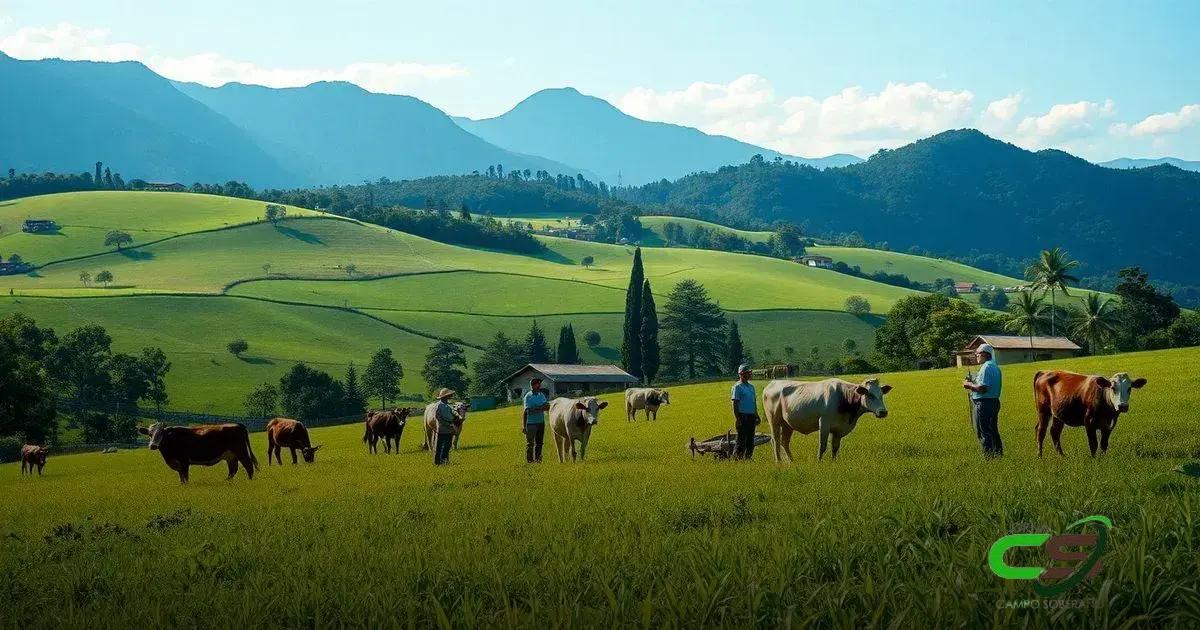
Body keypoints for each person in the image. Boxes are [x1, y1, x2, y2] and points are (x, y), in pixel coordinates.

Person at [963, 344, 1004, 457]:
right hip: (993, 402)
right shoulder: (994, 366)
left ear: (985, 354)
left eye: (978, 354)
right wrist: (973, 381)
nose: (977, 356)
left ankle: (988, 457)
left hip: (984, 403)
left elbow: (983, 388)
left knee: (984, 431)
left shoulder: (986, 367)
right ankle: (998, 454)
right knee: (993, 430)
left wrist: (969, 385)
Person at [730, 364, 760, 460]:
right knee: (741, 439)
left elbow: (753, 402)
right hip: (742, 416)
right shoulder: (737, 387)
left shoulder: (751, 387)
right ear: (741, 374)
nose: (748, 375)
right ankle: (737, 458)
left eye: (749, 373)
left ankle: (748, 458)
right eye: (746, 373)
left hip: (751, 416)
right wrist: (737, 418)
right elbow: (735, 403)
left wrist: (756, 415)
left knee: (750, 439)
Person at [430, 388, 462, 465]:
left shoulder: (447, 405)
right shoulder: (438, 406)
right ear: (445, 396)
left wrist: (458, 416)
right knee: (440, 447)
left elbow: (453, 411)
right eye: (449, 395)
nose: (451, 396)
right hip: (442, 429)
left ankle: (444, 461)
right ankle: (438, 462)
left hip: (448, 429)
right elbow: (438, 418)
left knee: (447, 446)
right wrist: (449, 424)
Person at [522, 378, 551, 463]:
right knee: (530, 443)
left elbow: (547, 407)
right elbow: (528, 411)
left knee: (539, 443)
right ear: (533, 385)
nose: (539, 386)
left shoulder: (541, 395)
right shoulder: (528, 396)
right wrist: (541, 407)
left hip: (541, 422)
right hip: (530, 423)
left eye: (539, 384)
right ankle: (530, 461)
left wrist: (537, 408)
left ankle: (538, 460)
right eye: (537, 384)